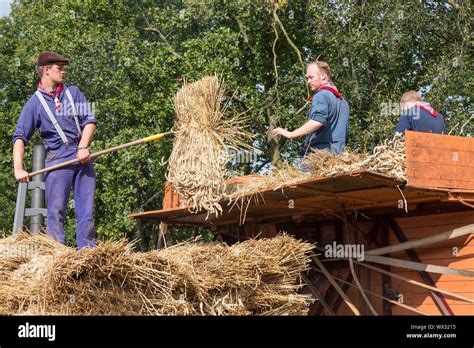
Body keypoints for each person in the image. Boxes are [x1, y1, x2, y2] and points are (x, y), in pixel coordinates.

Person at [12, 51, 97, 249]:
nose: (63, 72)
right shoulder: (34, 103)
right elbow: (19, 137)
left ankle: (88, 254)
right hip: (57, 157)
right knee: (56, 210)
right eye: (59, 68)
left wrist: (83, 146)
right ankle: (56, 254)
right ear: (46, 70)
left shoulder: (73, 92)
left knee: (86, 210)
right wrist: (18, 167)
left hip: (81, 154)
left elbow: (90, 121)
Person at [272, 61, 350, 163]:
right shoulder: (343, 102)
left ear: (323, 76)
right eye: (307, 78)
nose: (308, 81)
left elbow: (317, 121)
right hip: (338, 157)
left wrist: (291, 134)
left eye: (311, 77)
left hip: (319, 157)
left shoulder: (321, 95)